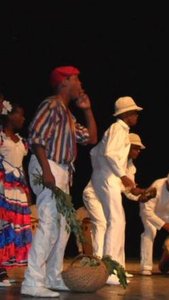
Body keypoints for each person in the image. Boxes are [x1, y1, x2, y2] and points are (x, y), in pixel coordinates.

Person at [21, 66, 97, 298]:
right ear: (64, 82)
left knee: (63, 226)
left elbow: (91, 138)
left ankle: (53, 276)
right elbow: (35, 138)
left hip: (62, 170)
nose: (81, 84)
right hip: (49, 165)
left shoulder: (67, 113)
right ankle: (32, 281)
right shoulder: (52, 105)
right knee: (49, 223)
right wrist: (47, 170)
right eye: (77, 79)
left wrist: (88, 110)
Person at [89, 96, 144, 285]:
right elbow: (109, 153)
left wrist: (129, 185)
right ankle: (110, 270)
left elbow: (99, 153)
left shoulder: (122, 130)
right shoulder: (117, 129)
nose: (137, 115)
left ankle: (117, 268)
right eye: (134, 112)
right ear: (127, 114)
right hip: (107, 177)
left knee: (119, 220)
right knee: (116, 220)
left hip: (108, 176)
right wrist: (122, 175)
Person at [82, 133, 154, 273]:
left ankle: (116, 266)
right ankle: (98, 265)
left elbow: (128, 190)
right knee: (102, 224)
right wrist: (132, 189)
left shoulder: (131, 168)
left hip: (108, 197)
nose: (138, 152)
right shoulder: (114, 159)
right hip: (94, 194)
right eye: (135, 148)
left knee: (118, 226)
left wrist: (139, 196)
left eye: (139, 149)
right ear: (127, 147)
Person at [0, 96, 32, 286]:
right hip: (3, 188)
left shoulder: (21, 141)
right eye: (20, 115)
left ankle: (6, 265)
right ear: (10, 116)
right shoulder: (2, 138)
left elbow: (22, 168)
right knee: (3, 225)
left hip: (18, 190)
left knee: (14, 228)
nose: (23, 119)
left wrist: (27, 190)